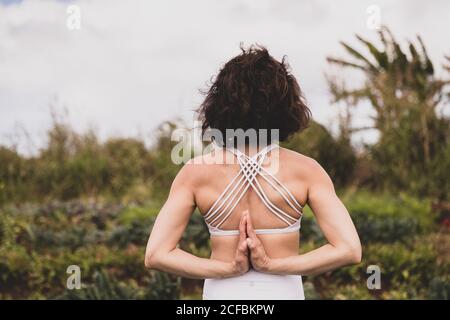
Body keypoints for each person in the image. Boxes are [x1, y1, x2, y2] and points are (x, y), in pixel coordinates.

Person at [145, 45, 361, 299]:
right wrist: (272, 265)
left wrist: (226, 268)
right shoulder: (307, 170)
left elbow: (156, 254)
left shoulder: (194, 173)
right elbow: (349, 249)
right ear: (286, 105)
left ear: (220, 104)